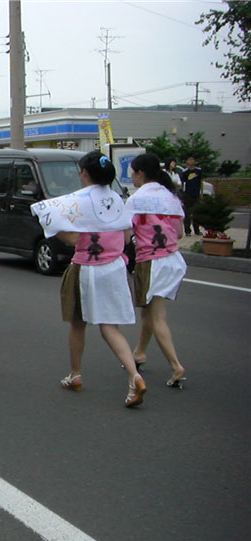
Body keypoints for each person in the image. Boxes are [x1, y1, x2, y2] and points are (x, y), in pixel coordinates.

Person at [41, 151, 146, 408]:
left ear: (85, 174)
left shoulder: (78, 201)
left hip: (85, 267)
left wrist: (57, 231)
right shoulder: (118, 200)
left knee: (78, 323)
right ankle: (134, 375)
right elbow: (124, 238)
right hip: (115, 267)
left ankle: (75, 374)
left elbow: (74, 239)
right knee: (110, 327)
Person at [127, 153, 187, 389]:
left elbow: (124, 232)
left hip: (151, 261)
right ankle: (139, 352)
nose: (132, 176)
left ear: (140, 173)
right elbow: (180, 233)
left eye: (133, 172)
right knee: (149, 311)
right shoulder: (171, 198)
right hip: (174, 260)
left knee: (157, 316)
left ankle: (176, 365)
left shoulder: (136, 199)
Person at [179, 155, 202, 236]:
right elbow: (182, 183)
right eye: (189, 160)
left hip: (196, 194)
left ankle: (197, 230)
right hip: (188, 195)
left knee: (196, 213)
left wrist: (201, 193)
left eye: (192, 160)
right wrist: (182, 194)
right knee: (187, 214)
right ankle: (187, 231)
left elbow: (201, 182)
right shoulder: (185, 172)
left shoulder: (198, 171)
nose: (191, 161)